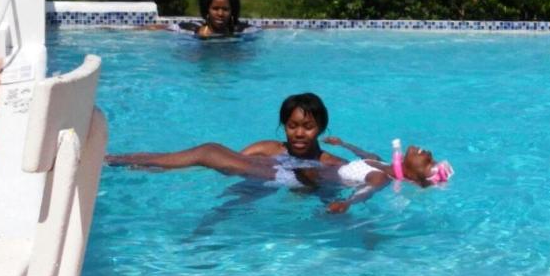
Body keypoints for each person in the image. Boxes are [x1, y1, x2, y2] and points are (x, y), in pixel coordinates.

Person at [106, 139, 451, 213]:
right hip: (297, 170)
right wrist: (341, 143)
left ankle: (116, 161)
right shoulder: (379, 164)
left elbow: (365, 194)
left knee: (209, 154)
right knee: (207, 154)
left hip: (291, 177)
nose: (426, 151)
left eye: (428, 159)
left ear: (416, 177)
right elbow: (363, 155)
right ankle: (130, 161)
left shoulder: (382, 179)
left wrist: (345, 205)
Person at [242, 93, 346, 166]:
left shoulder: (333, 165)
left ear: (321, 128)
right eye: (292, 126)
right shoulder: (264, 151)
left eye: (308, 127)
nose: (299, 134)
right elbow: (231, 165)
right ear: (284, 126)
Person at [178, 0, 250, 38]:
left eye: (225, 9)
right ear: (206, 9)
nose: (220, 14)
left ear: (232, 10)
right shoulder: (189, 29)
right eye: (215, 8)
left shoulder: (245, 31)